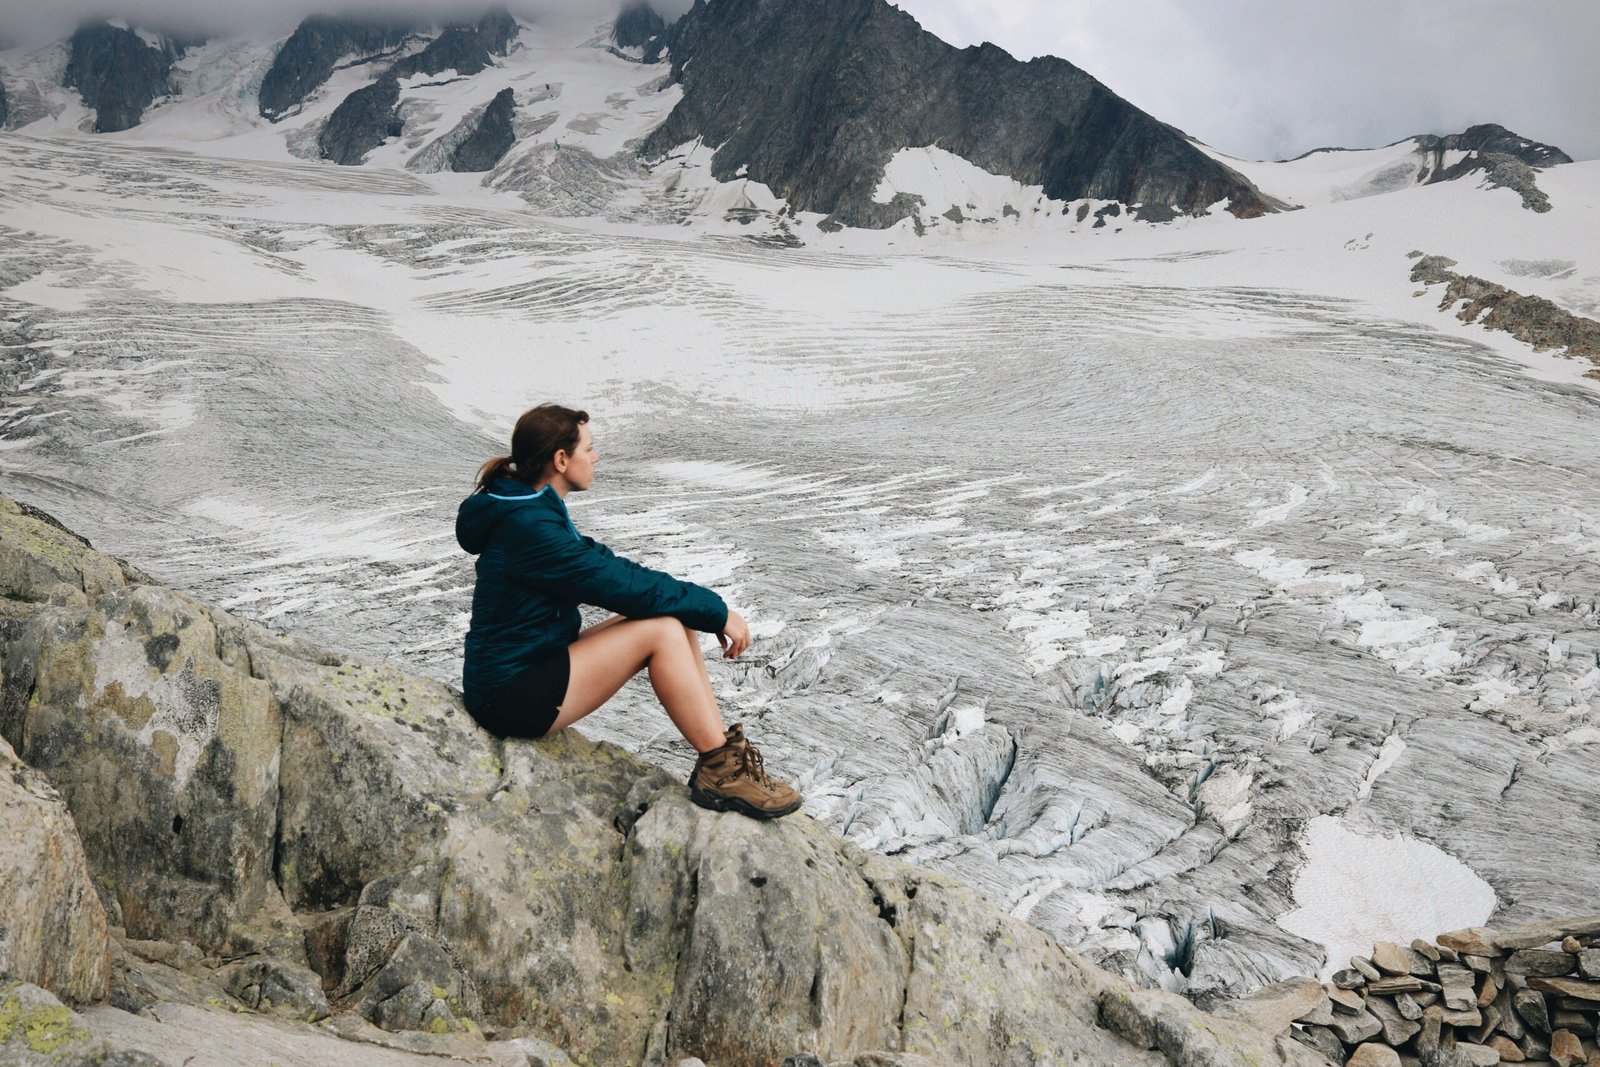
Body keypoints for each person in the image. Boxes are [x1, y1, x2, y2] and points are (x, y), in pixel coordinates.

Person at [456, 403, 802, 820]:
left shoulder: (527, 507)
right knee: (662, 631)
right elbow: (617, 585)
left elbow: (610, 567)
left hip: (528, 666)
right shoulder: (528, 525)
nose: (596, 456)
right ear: (561, 459)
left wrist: (700, 608)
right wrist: (717, 611)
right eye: (590, 447)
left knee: (672, 619)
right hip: (511, 695)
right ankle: (720, 771)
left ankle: (725, 760)